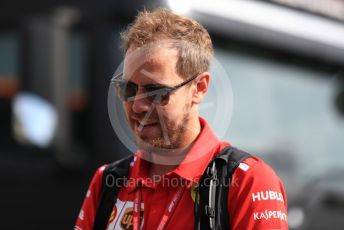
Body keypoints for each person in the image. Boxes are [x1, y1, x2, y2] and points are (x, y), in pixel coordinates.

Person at [75, 8, 288, 230]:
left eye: (155, 92)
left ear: (199, 88)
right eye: (128, 89)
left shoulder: (248, 182)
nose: (138, 105)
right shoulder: (107, 181)